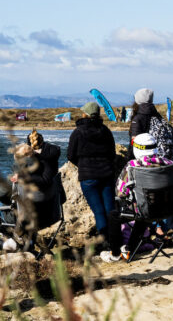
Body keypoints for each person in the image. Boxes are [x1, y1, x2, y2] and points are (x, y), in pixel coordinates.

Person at [100, 133, 173, 262]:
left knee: (114, 215)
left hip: (144, 210)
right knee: (142, 214)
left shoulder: (133, 166)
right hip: (169, 209)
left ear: (137, 149)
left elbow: (120, 192)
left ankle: (115, 253)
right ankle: (130, 249)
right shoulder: (170, 164)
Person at [0, 129, 61, 245]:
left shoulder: (19, 176)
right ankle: (29, 242)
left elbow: (1, 197)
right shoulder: (49, 171)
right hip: (49, 216)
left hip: (21, 219)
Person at [67, 101, 116, 240]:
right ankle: (114, 239)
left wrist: (82, 164)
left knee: (98, 211)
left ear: (85, 114)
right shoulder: (105, 130)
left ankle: (104, 240)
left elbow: (70, 155)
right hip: (106, 174)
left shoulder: (77, 132)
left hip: (88, 175)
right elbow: (112, 153)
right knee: (110, 210)